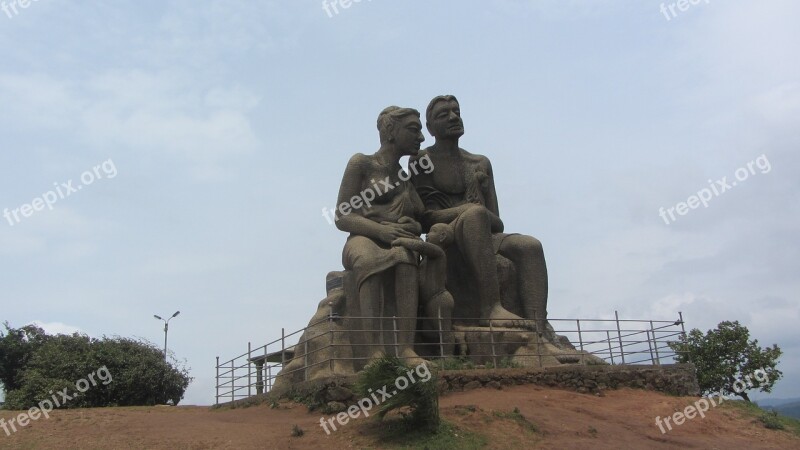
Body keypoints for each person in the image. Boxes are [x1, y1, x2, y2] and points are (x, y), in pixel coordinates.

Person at [411, 95, 549, 332]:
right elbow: (424, 218)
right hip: (447, 234)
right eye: (443, 114)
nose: (453, 117)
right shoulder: (422, 161)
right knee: (474, 214)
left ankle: (538, 330)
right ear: (430, 128)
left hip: (484, 234)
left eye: (456, 111)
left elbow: (497, 221)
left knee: (530, 246)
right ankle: (490, 308)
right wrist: (469, 209)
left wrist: (477, 207)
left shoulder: (479, 162)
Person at [335, 106, 427, 365]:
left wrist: (414, 225)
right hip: (362, 237)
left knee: (406, 256)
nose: (420, 138)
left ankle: (406, 349)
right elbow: (342, 216)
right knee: (368, 260)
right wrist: (381, 230)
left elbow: (422, 218)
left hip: (395, 239)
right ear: (390, 131)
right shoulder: (361, 163)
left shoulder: (404, 177)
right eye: (414, 130)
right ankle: (374, 351)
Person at [391, 222, 456, 356]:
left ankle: (449, 359)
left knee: (444, 332)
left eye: (432, 231)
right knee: (434, 331)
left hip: (438, 299)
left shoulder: (438, 253)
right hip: (429, 301)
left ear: (442, 236)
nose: (427, 234)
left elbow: (421, 246)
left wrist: (402, 240)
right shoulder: (427, 258)